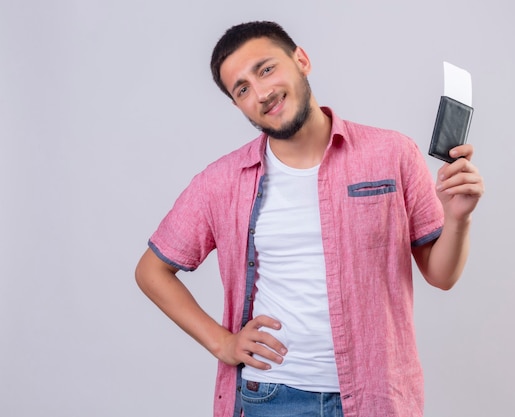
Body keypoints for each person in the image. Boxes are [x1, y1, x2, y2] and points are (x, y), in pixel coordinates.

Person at [135, 20, 484, 417]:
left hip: (378, 395)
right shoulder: (221, 182)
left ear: (301, 60)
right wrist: (223, 344)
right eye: (243, 89)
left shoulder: (392, 154)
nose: (262, 93)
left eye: (266, 69)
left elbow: (442, 275)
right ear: (237, 105)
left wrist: (458, 219)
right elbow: (151, 271)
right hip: (274, 397)